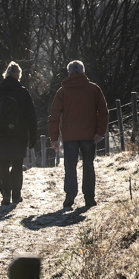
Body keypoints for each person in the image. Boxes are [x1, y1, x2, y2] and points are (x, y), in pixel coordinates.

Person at [48, 60, 108, 209]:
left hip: (69, 136)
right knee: (88, 165)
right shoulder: (94, 89)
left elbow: (54, 116)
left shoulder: (62, 92)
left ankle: (70, 196)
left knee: (70, 166)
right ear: (83, 72)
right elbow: (104, 112)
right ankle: (89, 198)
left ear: (69, 73)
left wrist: (54, 138)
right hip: (89, 135)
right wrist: (100, 132)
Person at [0, 61, 37, 206]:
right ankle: (16, 195)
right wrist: (33, 136)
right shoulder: (23, 92)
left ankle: (5, 194)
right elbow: (31, 115)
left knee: (2, 164)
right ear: (18, 75)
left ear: (5, 74)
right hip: (19, 134)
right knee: (17, 164)